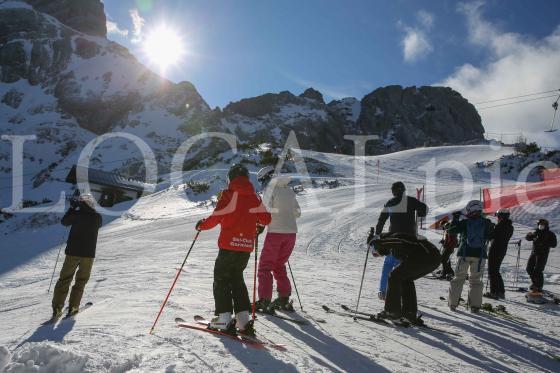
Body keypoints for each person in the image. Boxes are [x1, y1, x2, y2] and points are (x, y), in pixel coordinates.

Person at [196, 164, 271, 336]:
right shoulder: (254, 198)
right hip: (245, 248)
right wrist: (256, 224)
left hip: (228, 246)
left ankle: (223, 318)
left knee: (221, 279)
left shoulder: (229, 195)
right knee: (237, 279)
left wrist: (202, 225)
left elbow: (216, 217)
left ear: (231, 178)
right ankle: (243, 320)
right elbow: (266, 219)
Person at [254, 166, 301, 313]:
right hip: (291, 234)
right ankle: (283, 298)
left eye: (262, 180)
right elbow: (298, 213)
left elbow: (265, 213)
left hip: (275, 233)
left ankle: (265, 301)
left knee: (265, 267)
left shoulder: (270, 190)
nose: (262, 184)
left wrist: (259, 226)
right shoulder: (289, 190)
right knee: (279, 265)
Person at [370, 233, 441, 324]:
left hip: (425, 257)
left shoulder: (395, 237)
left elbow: (399, 241)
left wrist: (381, 242)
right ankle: (409, 314)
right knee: (405, 279)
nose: (379, 254)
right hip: (432, 259)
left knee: (394, 276)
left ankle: (392, 312)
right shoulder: (393, 244)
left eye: (376, 252)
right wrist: (382, 246)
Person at [52, 194, 102, 318]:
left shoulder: (76, 214)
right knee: (81, 281)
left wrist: (72, 208)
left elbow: (64, 222)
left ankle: (58, 308)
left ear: (81, 204)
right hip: (88, 255)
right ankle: (74, 307)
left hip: (72, 253)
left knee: (65, 279)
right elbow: (97, 223)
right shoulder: (97, 217)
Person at [447, 200, 494, 312]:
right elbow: (491, 236)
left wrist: (455, 219)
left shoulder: (465, 222)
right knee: (476, 280)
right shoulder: (487, 223)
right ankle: (475, 306)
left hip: (464, 254)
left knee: (458, 279)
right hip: (480, 255)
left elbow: (451, 231)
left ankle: (452, 304)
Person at [484, 208, 514, 299]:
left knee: (492, 271)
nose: (497, 218)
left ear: (501, 216)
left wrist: (489, 229)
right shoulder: (510, 226)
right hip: (502, 250)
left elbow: (490, 236)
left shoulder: (500, 225)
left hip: (495, 249)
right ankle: (501, 292)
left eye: (498, 216)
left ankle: (494, 292)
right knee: (496, 270)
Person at [525, 218, 557, 297]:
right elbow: (529, 238)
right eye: (539, 225)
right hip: (534, 253)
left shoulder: (550, 234)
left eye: (542, 225)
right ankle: (535, 283)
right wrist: (528, 236)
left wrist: (545, 243)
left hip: (542, 254)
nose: (540, 227)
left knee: (538, 270)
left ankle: (538, 287)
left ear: (546, 226)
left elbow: (554, 244)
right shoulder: (536, 232)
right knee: (529, 268)